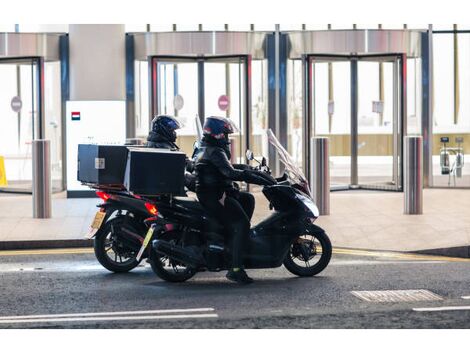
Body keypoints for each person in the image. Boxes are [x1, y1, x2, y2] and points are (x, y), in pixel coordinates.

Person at [194, 116, 267, 284]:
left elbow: (227, 167)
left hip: (213, 193)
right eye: (225, 134)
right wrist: (255, 177)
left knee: (247, 199)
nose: (227, 138)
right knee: (241, 224)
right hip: (216, 196)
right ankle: (235, 269)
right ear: (218, 134)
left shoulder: (207, 147)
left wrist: (249, 169)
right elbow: (230, 173)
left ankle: (236, 242)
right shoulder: (215, 151)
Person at [146, 115, 197, 192]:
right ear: (165, 130)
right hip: (168, 190)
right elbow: (176, 170)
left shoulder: (159, 142)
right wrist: (195, 182)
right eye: (173, 130)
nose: (175, 134)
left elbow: (181, 160)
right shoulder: (162, 148)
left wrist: (193, 165)